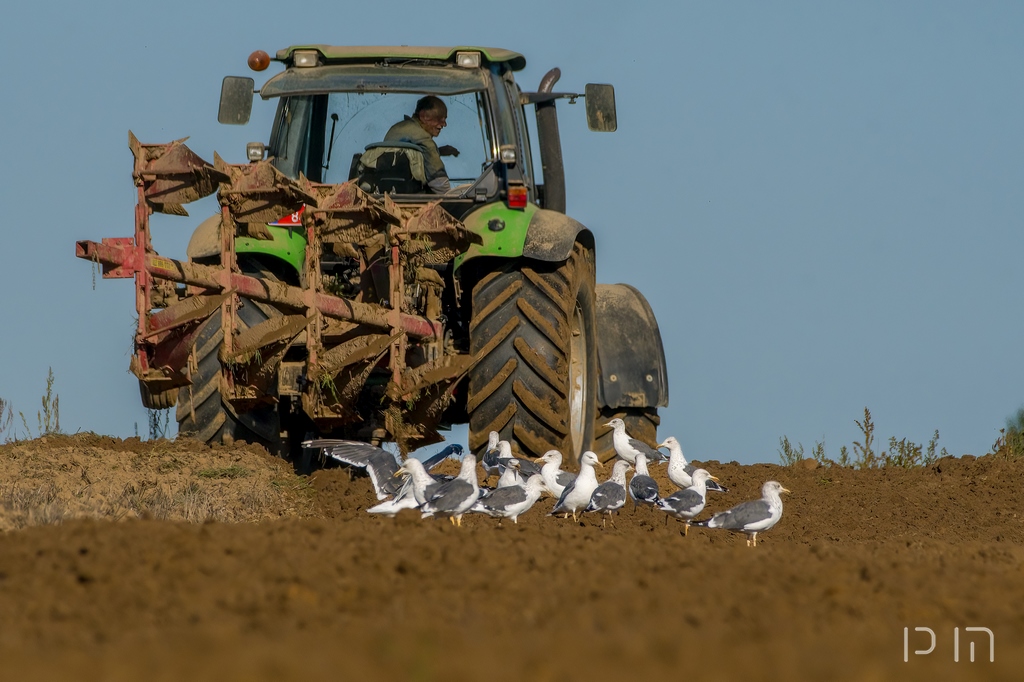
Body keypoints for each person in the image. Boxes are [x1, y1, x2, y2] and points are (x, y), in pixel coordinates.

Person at [384, 95, 460, 193]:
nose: (444, 124)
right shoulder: (424, 139)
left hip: (389, 192)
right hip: (412, 197)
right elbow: (439, 182)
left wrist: (439, 151)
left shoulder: (398, 129)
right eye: (440, 119)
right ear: (424, 116)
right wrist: (453, 200)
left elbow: (408, 157)